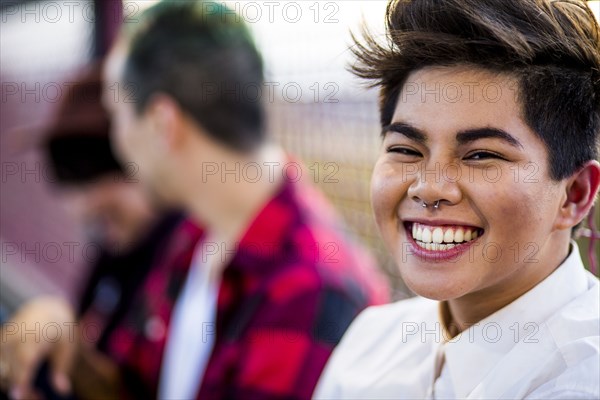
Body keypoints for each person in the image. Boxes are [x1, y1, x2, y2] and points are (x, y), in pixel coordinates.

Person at [102, 1, 389, 399]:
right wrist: (60, 341)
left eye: (116, 115)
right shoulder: (198, 233)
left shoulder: (310, 289)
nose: (116, 140)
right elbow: (129, 382)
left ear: (161, 122)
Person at [314, 0, 600, 398]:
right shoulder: (370, 344)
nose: (429, 188)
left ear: (575, 194)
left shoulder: (584, 379)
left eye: (481, 155)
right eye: (406, 150)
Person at [0, 66, 195, 400]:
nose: (79, 205)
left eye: (91, 172)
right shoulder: (115, 252)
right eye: (65, 176)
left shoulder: (185, 258)